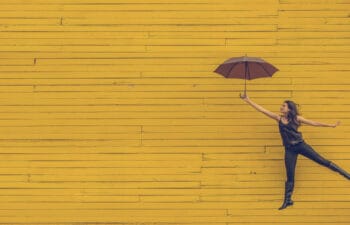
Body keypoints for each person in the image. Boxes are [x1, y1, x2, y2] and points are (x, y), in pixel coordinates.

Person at [239, 92, 350, 210]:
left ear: (289, 109)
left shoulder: (297, 119)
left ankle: (346, 174)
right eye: (282, 106)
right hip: (289, 150)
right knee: (290, 174)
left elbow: (314, 123)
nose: (281, 107)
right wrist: (248, 100)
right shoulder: (278, 118)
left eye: (284, 106)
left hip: (301, 145)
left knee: (322, 161)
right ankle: (287, 200)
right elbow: (263, 110)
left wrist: (330, 125)